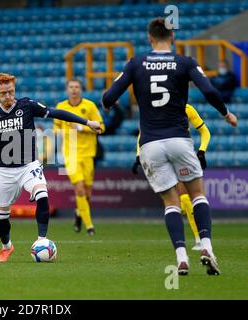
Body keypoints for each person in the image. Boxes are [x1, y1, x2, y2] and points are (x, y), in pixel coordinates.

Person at [101, 18, 237, 276]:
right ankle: (206, 246)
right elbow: (209, 90)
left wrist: (108, 105)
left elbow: (108, 97)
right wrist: (226, 114)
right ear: (172, 37)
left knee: (171, 203)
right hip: (179, 139)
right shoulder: (184, 62)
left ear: (150, 38)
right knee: (197, 195)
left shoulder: (136, 63)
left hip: (150, 143)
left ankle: (182, 257)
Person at [0, 73, 101, 263]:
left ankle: (42, 240)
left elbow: (57, 113)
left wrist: (87, 122)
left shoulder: (27, 105)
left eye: (10, 92)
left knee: (42, 195)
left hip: (29, 166)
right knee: (1, 216)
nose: (8, 97)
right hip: (5, 172)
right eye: (3, 94)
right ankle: (6, 247)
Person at [132, 103, 211, 251]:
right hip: (162, 157)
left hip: (181, 155)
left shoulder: (187, 108)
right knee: (177, 200)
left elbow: (205, 132)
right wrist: (138, 155)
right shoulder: (153, 109)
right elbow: (142, 134)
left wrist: (201, 151)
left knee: (184, 195)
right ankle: (197, 238)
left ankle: (198, 239)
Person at [53, 79, 105, 236]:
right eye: (71, 87)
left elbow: (101, 128)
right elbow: (57, 126)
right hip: (70, 155)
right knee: (80, 189)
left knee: (87, 193)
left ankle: (78, 213)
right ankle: (90, 227)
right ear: (67, 90)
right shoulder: (61, 107)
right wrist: (56, 132)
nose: (74, 90)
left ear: (81, 90)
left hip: (88, 154)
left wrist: (82, 127)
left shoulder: (89, 106)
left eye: (77, 87)